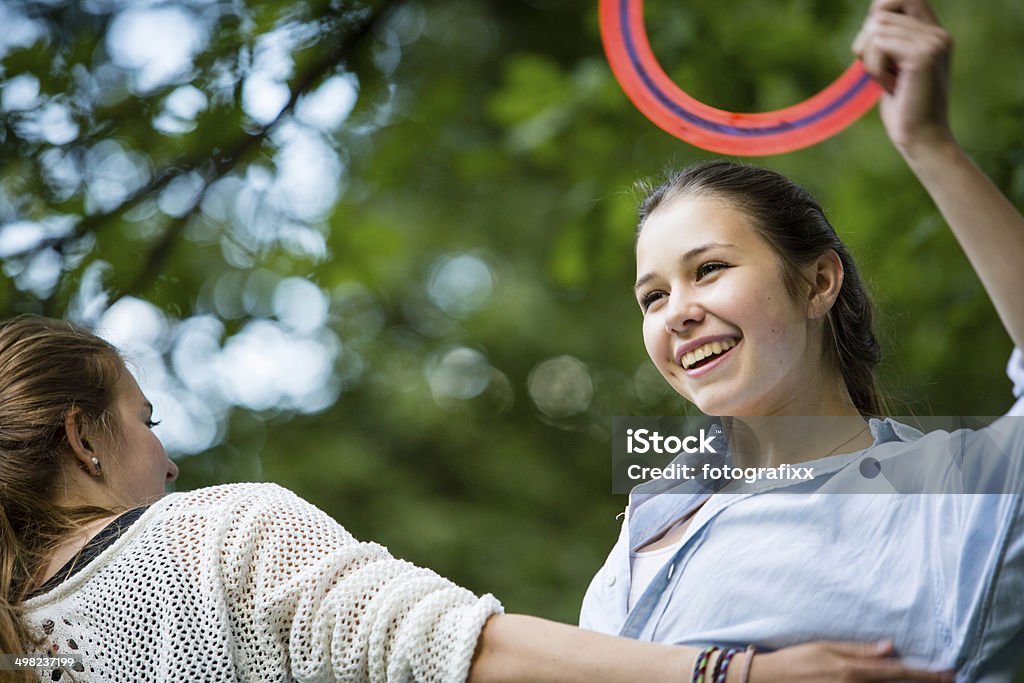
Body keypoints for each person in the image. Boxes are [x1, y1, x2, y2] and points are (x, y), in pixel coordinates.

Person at [0, 317, 953, 682]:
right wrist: (734, 676)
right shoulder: (216, 534)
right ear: (81, 436)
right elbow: (460, 645)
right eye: (144, 419)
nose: (167, 460)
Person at [580, 0, 1024, 681]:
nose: (677, 312)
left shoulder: (949, 502)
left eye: (710, 269)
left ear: (818, 282)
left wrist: (928, 144)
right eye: (653, 295)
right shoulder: (650, 518)